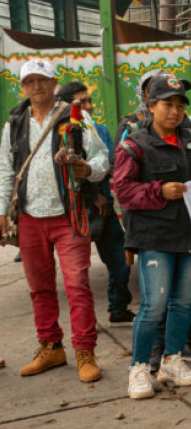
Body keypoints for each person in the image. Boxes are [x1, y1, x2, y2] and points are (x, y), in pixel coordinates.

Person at [0, 59, 109, 382]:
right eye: (30, 81)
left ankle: (85, 351)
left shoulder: (74, 118)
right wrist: (3, 212)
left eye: (42, 80)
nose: (36, 87)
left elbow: (102, 157)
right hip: (30, 217)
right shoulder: (14, 124)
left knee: (77, 285)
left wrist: (89, 170)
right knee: (40, 288)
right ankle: (51, 347)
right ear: (23, 87)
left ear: (53, 83)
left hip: (69, 214)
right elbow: (6, 170)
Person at [113, 75, 191, 399]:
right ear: (151, 106)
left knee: (183, 304)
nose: (175, 111)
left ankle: (172, 360)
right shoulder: (134, 145)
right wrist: (159, 191)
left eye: (180, 104)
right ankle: (139, 368)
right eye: (168, 104)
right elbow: (123, 191)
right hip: (155, 238)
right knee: (153, 305)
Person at [57, 82, 134, 325]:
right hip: (74, 211)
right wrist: (93, 196)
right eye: (83, 102)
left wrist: (101, 195)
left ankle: (117, 308)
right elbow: (62, 169)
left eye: (90, 100)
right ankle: (83, 324)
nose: (89, 106)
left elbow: (109, 164)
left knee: (120, 261)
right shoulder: (60, 131)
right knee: (77, 272)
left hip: (103, 209)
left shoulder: (99, 129)